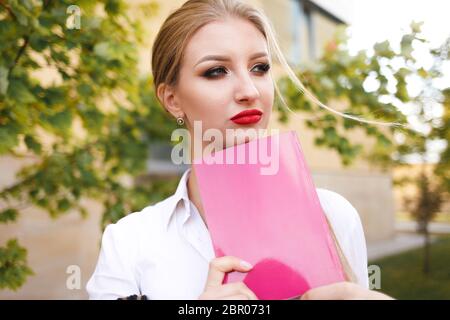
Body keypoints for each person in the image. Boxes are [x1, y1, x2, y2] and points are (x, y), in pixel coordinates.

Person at [86, 0, 394, 300]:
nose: (249, 91)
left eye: (259, 68)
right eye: (216, 71)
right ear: (172, 99)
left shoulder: (336, 215)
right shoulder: (129, 241)